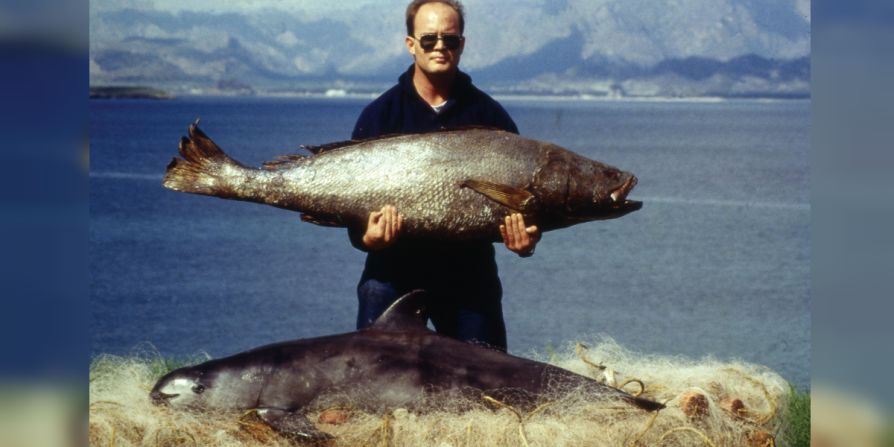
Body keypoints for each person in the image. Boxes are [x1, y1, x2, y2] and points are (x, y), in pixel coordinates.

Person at [349, 0, 539, 351]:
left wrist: (525, 242)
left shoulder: (491, 116)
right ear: (411, 44)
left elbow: (520, 202)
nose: (440, 47)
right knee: (371, 385)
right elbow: (350, 204)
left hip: (469, 276)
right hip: (392, 272)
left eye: (449, 40)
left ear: (462, 44)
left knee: (490, 389)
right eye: (429, 39)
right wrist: (367, 238)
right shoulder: (380, 115)